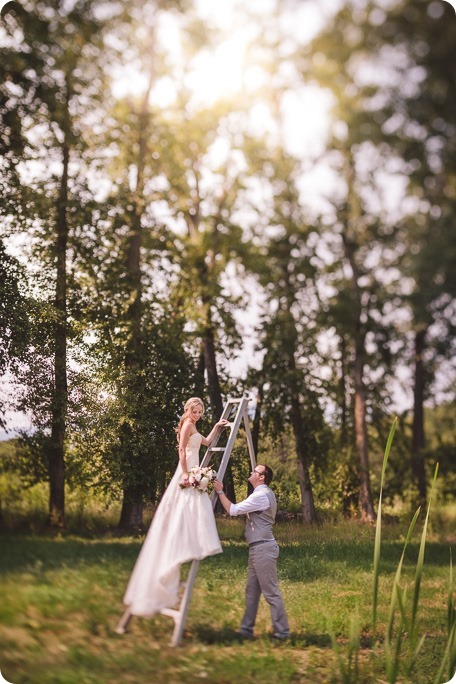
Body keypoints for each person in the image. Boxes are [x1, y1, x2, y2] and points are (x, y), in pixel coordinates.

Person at [122, 398, 227, 617]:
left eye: (200, 412)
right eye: (195, 411)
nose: (197, 414)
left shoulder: (194, 425)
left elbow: (207, 442)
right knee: (187, 505)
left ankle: (188, 537)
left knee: (192, 506)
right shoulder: (187, 424)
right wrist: (187, 474)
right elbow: (181, 451)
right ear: (188, 410)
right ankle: (187, 539)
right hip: (187, 470)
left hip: (194, 469)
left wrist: (217, 425)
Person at [213, 465, 291, 640]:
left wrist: (220, 492)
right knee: (252, 591)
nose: (251, 473)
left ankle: (283, 633)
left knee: (271, 592)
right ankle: (246, 630)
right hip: (258, 548)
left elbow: (233, 510)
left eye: (255, 471)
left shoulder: (262, 496)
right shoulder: (261, 494)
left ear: (261, 477)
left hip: (263, 548)